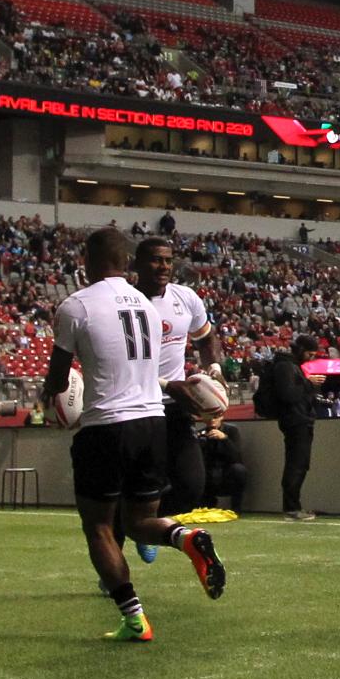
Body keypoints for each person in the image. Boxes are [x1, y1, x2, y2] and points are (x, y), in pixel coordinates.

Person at [44, 226, 225, 641]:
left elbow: (57, 379)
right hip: (152, 422)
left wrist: (61, 390)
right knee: (141, 519)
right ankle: (185, 536)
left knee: (100, 527)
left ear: (89, 261)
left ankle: (134, 618)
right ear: (127, 262)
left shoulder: (76, 306)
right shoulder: (147, 306)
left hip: (106, 424)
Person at [132, 236, 216, 557]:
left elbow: (206, 338)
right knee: (136, 487)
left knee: (191, 486)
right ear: (138, 264)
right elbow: (122, 365)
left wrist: (215, 368)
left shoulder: (186, 298)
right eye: (155, 260)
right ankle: (115, 552)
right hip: (138, 407)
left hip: (174, 407)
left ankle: (145, 525)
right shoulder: (127, 304)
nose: (163, 266)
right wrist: (168, 384)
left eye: (168, 260)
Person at [255, 335, 319, 519]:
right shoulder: (285, 367)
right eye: (310, 353)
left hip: (297, 419)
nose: (311, 358)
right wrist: (309, 384)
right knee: (296, 464)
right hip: (295, 420)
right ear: (300, 350)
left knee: (299, 464)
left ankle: (292, 506)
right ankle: (291, 507)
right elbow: (288, 395)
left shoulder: (289, 366)